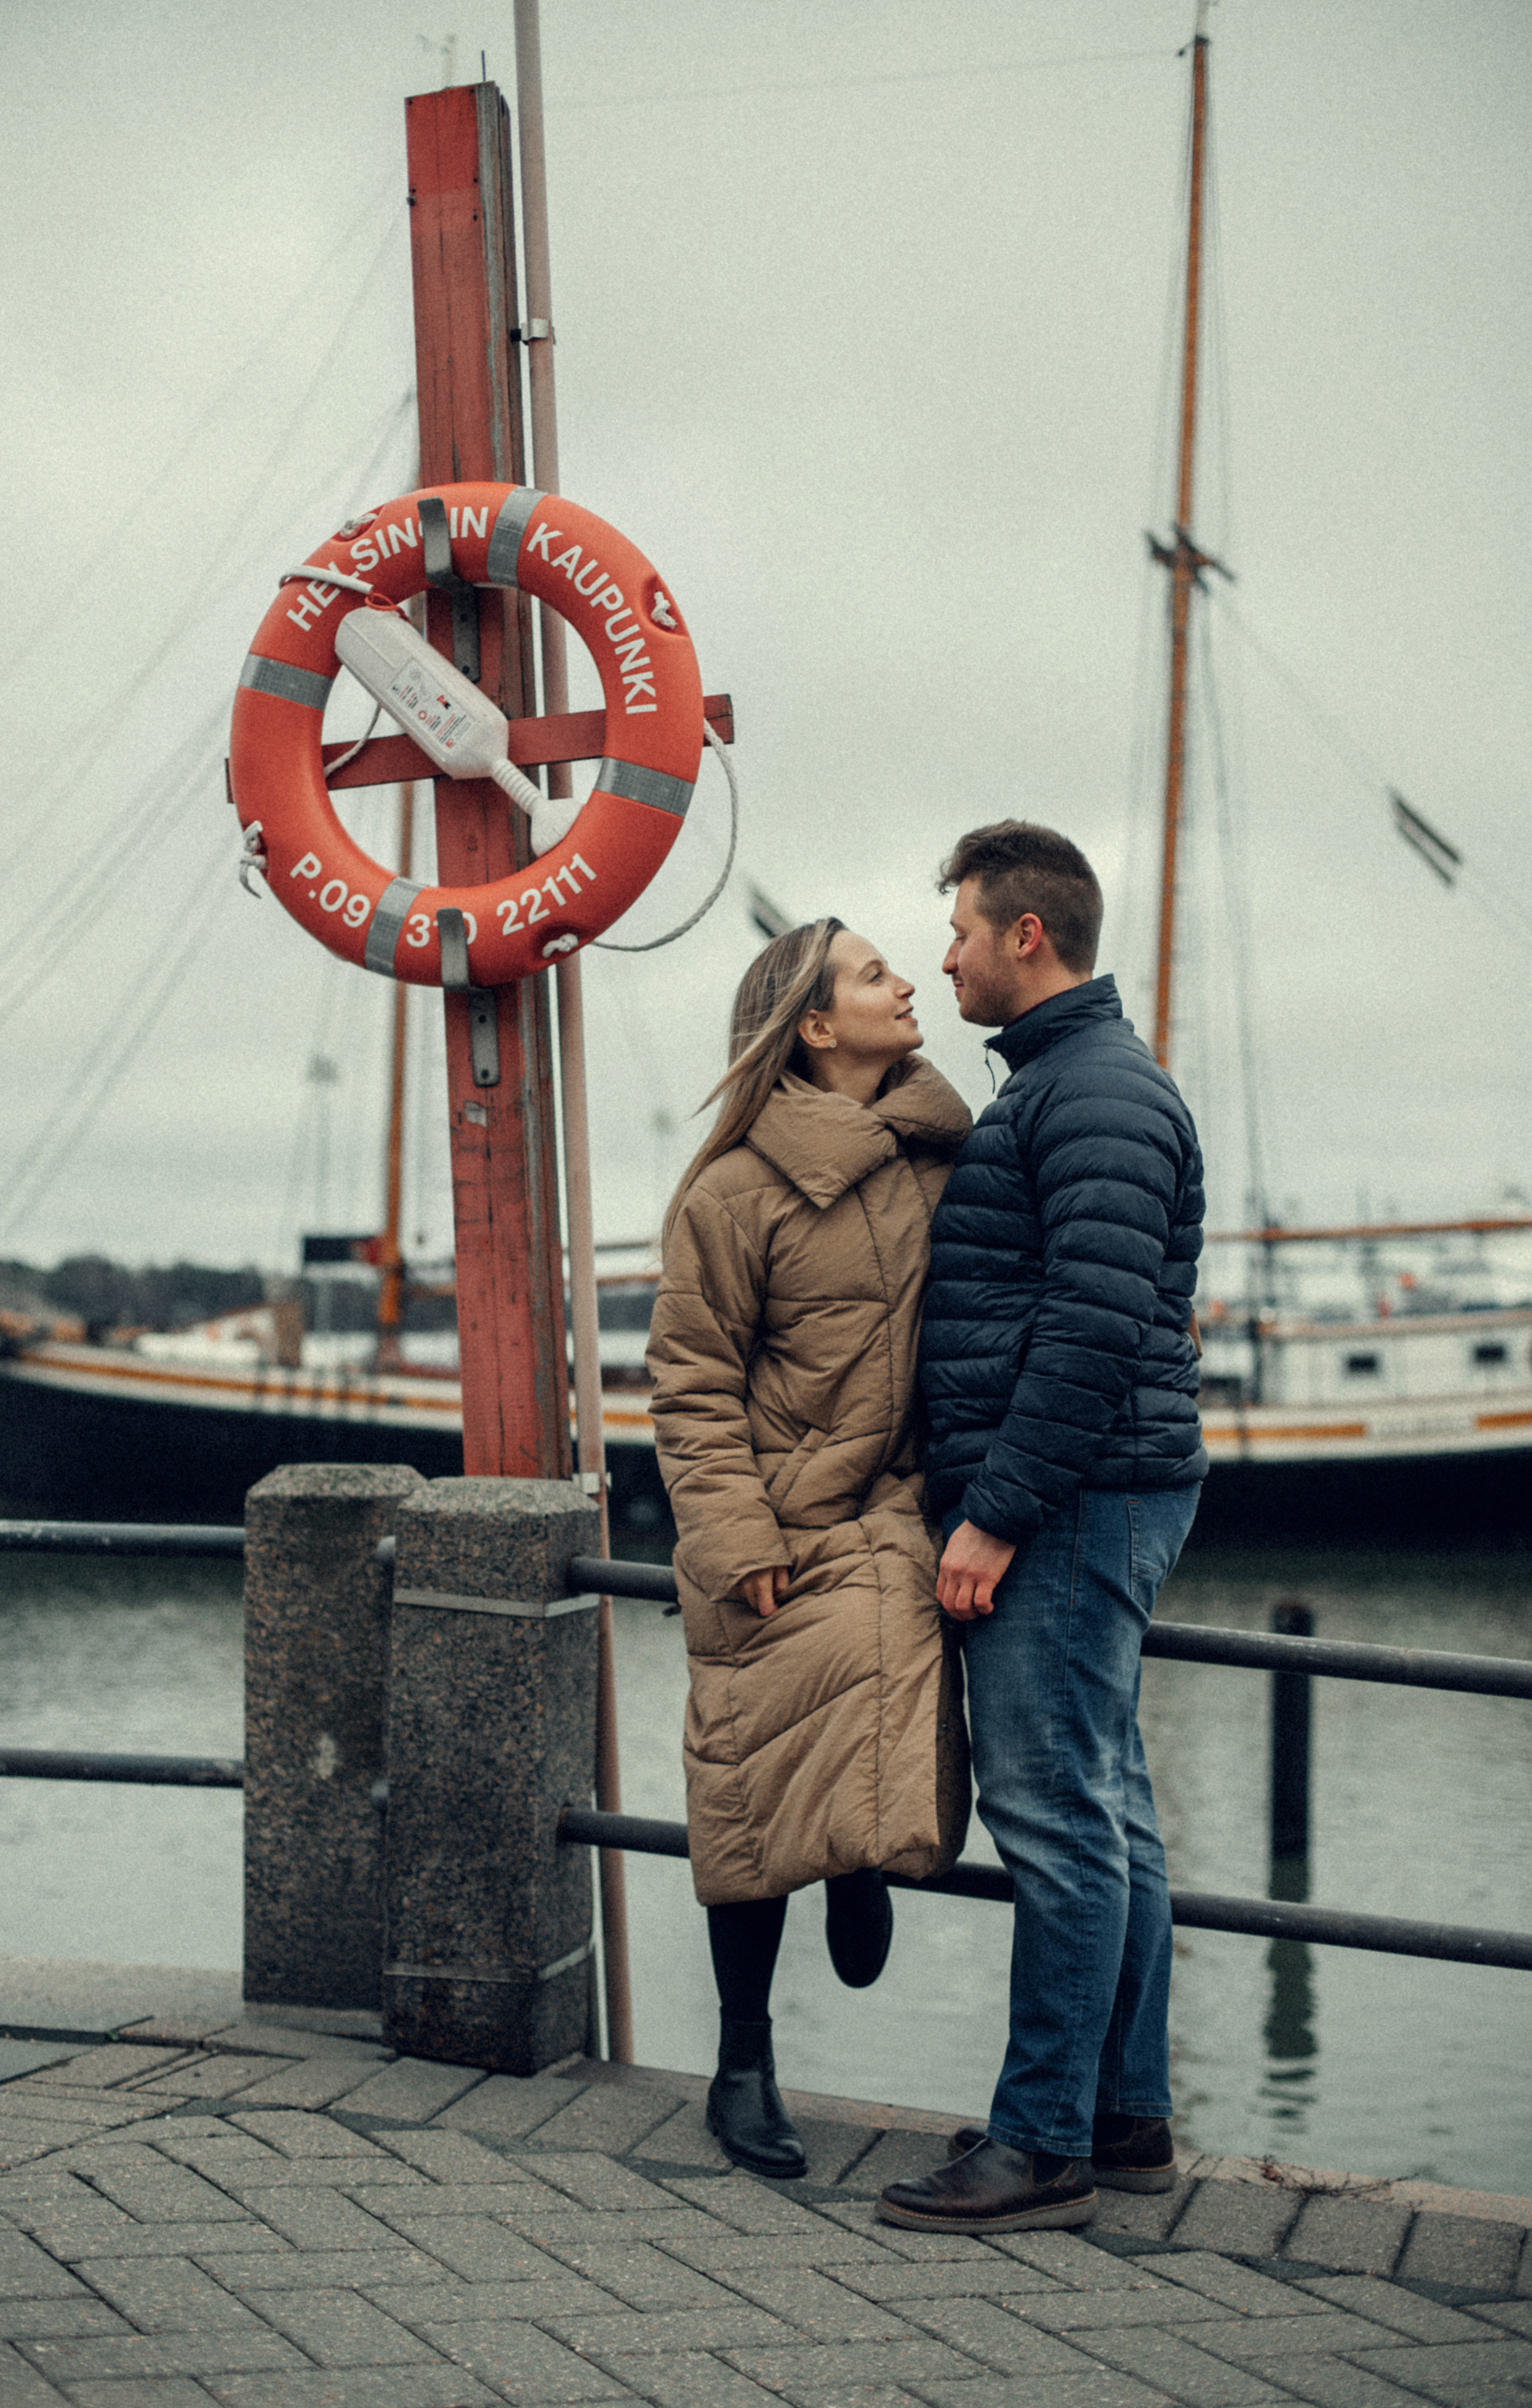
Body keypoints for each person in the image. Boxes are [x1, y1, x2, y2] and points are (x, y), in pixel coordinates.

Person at [877, 822, 1206, 2237]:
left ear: (1026, 934)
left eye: (959, 929)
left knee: (1057, 1819)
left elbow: (1092, 1325)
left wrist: (996, 1516)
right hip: (1093, 1490)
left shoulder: (1097, 1092)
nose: (943, 955)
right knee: (1106, 1806)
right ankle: (1120, 2117)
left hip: (1069, 1501)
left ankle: (1041, 2146)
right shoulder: (1068, 1082)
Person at [646, 918, 973, 2178]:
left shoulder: (950, 1160)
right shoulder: (729, 1193)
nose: (908, 982)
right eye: (875, 973)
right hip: (770, 1531)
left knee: (887, 1651)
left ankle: (859, 1854)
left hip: (899, 1514)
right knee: (742, 1781)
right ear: (818, 1027)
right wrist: (735, 1537)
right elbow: (690, 1383)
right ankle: (743, 2065)